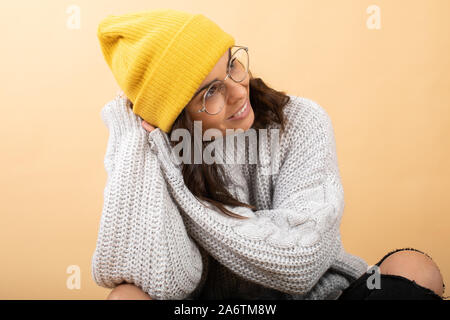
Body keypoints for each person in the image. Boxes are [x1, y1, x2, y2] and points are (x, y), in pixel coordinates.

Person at [92, 8, 445, 300]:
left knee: (415, 267)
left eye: (232, 64)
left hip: (311, 298)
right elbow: (162, 279)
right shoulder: (159, 148)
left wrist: (189, 200)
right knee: (126, 297)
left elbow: (303, 258)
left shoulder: (302, 121)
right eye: (211, 91)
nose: (237, 90)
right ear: (175, 118)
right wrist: (131, 137)